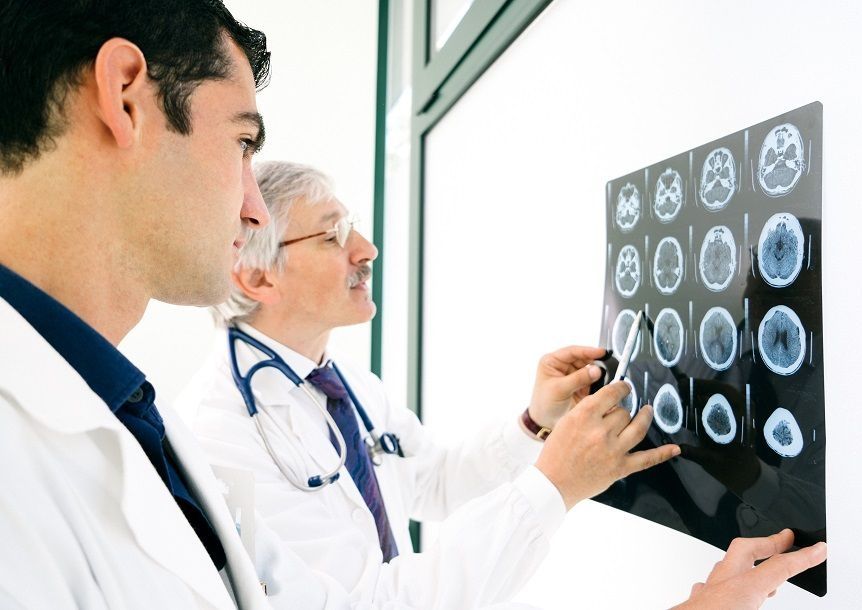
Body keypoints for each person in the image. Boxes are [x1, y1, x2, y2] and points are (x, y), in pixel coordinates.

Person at [178, 161, 826, 609]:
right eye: (334, 235)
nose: (367, 249)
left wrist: (533, 424)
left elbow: (432, 484)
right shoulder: (219, 432)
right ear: (257, 277)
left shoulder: (338, 378)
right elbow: (368, 603)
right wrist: (555, 482)